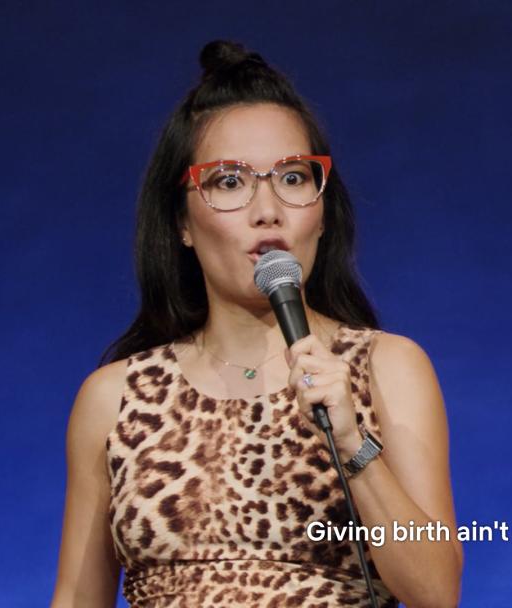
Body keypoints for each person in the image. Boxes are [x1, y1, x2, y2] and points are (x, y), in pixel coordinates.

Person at [51, 40, 462, 608]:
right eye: (229, 181)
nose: (267, 210)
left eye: (292, 178)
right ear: (181, 222)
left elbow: (437, 593)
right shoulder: (115, 398)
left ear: (322, 214)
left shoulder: (383, 368)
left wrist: (352, 445)